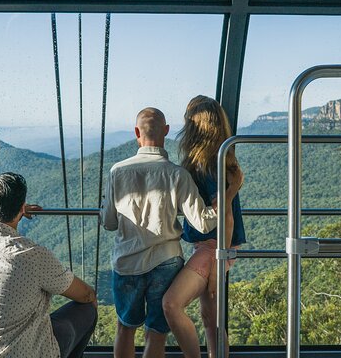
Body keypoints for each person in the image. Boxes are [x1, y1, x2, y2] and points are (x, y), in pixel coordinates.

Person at [100, 107, 218, 358]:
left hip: (127, 261)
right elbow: (203, 224)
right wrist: (222, 202)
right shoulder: (178, 175)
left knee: (125, 328)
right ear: (166, 131)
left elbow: (109, 222)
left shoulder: (117, 171)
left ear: (136, 133)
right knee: (156, 333)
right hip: (166, 261)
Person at [0, 172, 98, 358]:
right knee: (87, 309)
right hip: (16, 353)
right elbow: (86, 294)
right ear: (22, 209)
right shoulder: (32, 255)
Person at [162, 96, 245, 358]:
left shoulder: (208, 165)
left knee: (171, 304)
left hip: (214, 248)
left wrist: (216, 268)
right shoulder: (215, 160)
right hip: (212, 247)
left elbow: (226, 216)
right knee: (211, 320)